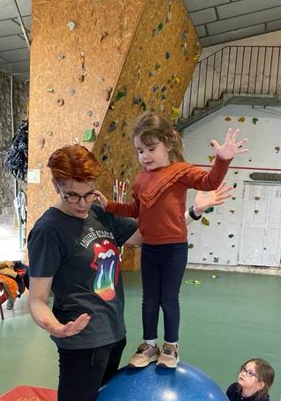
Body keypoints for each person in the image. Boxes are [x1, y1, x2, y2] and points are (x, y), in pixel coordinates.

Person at [19, 144, 232, 401]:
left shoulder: (97, 213)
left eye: (87, 192)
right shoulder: (48, 230)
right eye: (71, 195)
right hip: (81, 344)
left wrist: (192, 210)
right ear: (56, 185)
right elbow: (37, 299)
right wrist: (58, 327)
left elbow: (145, 234)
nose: (81, 203)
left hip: (113, 336)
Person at [97, 113, 248, 369]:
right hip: (150, 248)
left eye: (151, 149)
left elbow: (210, 181)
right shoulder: (141, 179)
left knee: (169, 299)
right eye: (139, 150)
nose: (144, 156)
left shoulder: (180, 171)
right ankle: (149, 344)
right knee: (149, 300)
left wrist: (223, 159)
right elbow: (136, 209)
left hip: (174, 248)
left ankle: (171, 345)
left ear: (168, 144)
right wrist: (109, 205)